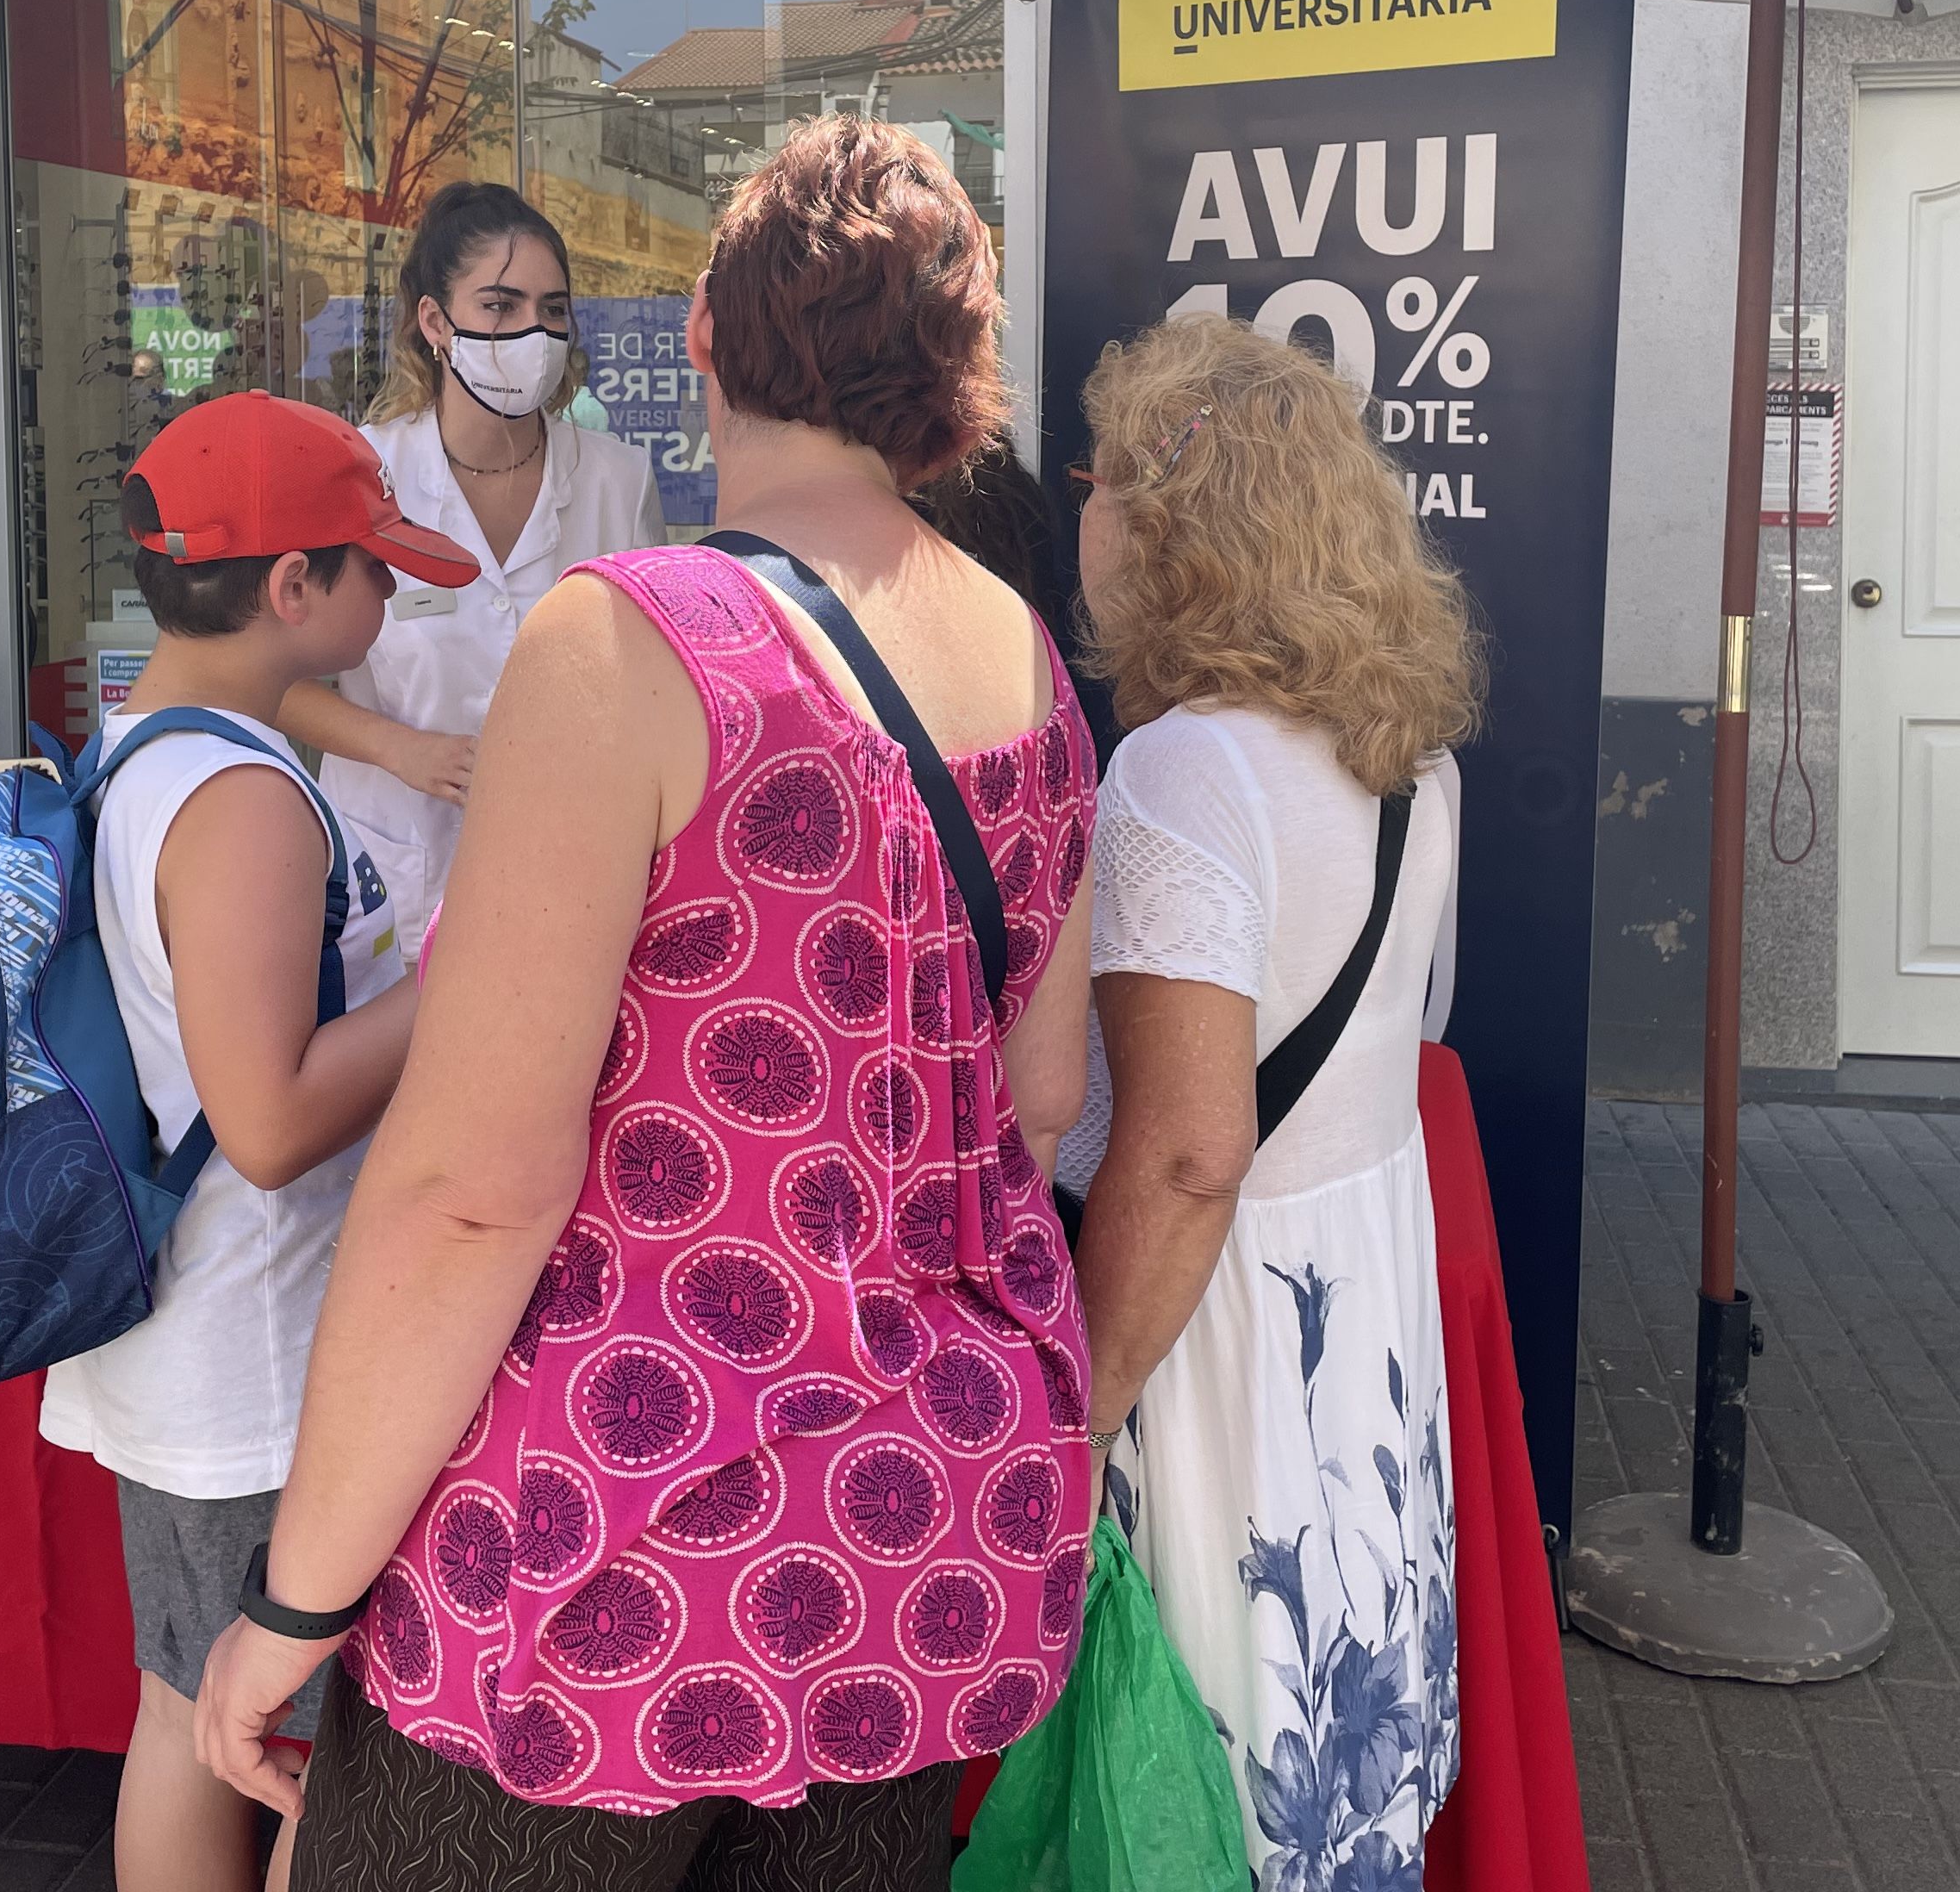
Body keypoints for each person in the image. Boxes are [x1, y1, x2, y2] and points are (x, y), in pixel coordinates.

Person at [190, 117, 1099, 1889]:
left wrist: (294, 1602)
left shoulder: (630, 640)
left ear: (699, 338)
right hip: (927, 1533)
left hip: (607, 1557)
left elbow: (472, 1189)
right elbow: (1042, 1097)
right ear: (955, 385)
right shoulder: (1021, 649)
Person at [41, 389, 482, 1892]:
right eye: (372, 563)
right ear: (291, 587)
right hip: (255, 1360)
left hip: (181, 1336)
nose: (391, 588)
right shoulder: (237, 796)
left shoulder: (140, 739)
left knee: (185, 1708)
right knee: (302, 1754)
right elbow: (272, 1117)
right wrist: (467, 974)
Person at [1065, 314, 1481, 1892]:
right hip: (1355, 1303)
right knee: (1334, 1754)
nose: (1083, 515)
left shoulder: (1182, 770)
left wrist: (1077, 1411)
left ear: (1170, 522)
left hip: (1215, 1330)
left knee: (1193, 1765)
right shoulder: (1403, 753)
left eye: (1100, 481)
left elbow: (1182, 1156)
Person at [277, 182, 666, 928]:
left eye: (552, 310)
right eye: (500, 305)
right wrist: (398, 748)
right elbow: (273, 680)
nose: (534, 332)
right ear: (436, 321)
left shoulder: (618, 482)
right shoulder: (363, 476)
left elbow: (652, 686)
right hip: (399, 882)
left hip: (575, 882)